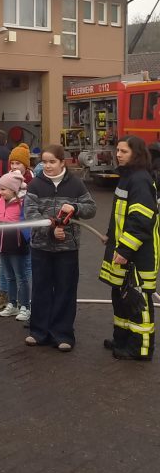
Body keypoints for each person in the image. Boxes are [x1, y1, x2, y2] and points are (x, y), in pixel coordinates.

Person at [24, 144, 96, 351]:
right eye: (44, 162)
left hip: (67, 250)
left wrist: (75, 207)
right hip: (40, 248)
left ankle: (63, 334)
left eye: (52, 162)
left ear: (62, 162)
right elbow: (30, 215)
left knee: (65, 290)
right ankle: (39, 332)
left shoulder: (76, 184)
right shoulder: (35, 185)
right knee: (41, 289)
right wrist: (51, 229)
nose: (47, 166)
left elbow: (91, 209)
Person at [99, 135, 159, 361]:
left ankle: (140, 348)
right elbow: (120, 215)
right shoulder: (127, 177)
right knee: (121, 297)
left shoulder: (140, 180)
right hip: (124, 249)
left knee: (137, 301)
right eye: (118, 150)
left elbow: (141, 221)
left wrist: (124, 250)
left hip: (138, 254)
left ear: (136, 153)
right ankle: (122, 338)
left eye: (123, 151)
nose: (118, 154)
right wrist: (110, 235)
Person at [0, 172, 31, 322]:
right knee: (9, 277)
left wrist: (25, 239)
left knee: (21, 277)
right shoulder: (0, 201)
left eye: (4, 189)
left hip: (18, 245)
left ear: (13, 189)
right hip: (3, 244)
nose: (0, 193)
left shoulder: (23, 202)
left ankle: (25, 307)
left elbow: (27, 223)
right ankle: (13, 304)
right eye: (0, 189)